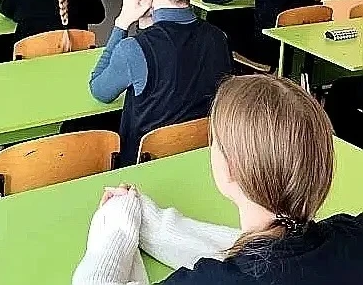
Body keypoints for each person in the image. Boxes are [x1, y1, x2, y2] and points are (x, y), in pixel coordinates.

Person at [72, 74, 363, 285]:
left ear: (231, 168)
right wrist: (149, 220)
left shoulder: (213, 279)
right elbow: (270, 249)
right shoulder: (349, 235)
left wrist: (117, 221)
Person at [89, 0, 231, 165]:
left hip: (141, 165)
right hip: (199, 156)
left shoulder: (133, 49)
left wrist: (122, 23)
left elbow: (99, 90)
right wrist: (147, 25)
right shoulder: (219, 37)